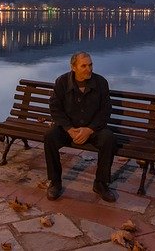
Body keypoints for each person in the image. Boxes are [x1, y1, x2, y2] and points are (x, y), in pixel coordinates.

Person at [44, 51, 117, 202]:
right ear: (73, 67)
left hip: (92, 129)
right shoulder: (62, 82)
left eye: (90, 65)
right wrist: (69, 129)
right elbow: (55, 108)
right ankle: (55, 182)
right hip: (69, 129)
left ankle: (101, 183)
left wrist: (89, 130)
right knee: (50, 136)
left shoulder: (101, 83)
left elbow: (105, 110)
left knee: (108, 139)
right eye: (84, 66)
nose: (89, 69)